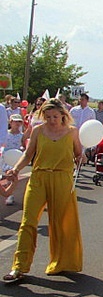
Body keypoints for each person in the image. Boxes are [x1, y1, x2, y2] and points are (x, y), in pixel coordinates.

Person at [2, 98, 85, 283]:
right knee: (27, 222)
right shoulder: (39, 130)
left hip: (62, 179)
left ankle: (63, 263)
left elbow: (79, 155)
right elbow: (28, 154)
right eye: (47, 116)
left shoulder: (72, 132)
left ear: (63, 115)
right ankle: (19, 267)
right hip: (38, 177)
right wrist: (15, 169)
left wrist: (83, 157)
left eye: (55, 116)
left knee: (62, 223)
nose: (52, 120)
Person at [4, 114, 25, 205]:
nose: (17, 123)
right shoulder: (5, 134)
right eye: (15, 121)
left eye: (19, 121)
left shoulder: (22, 136)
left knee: (11, 175)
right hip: (5, 157)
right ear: (11, 122)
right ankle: (8, 194)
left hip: (16, 159)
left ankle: (9, 195)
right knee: (6, 176)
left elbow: (25, 146)